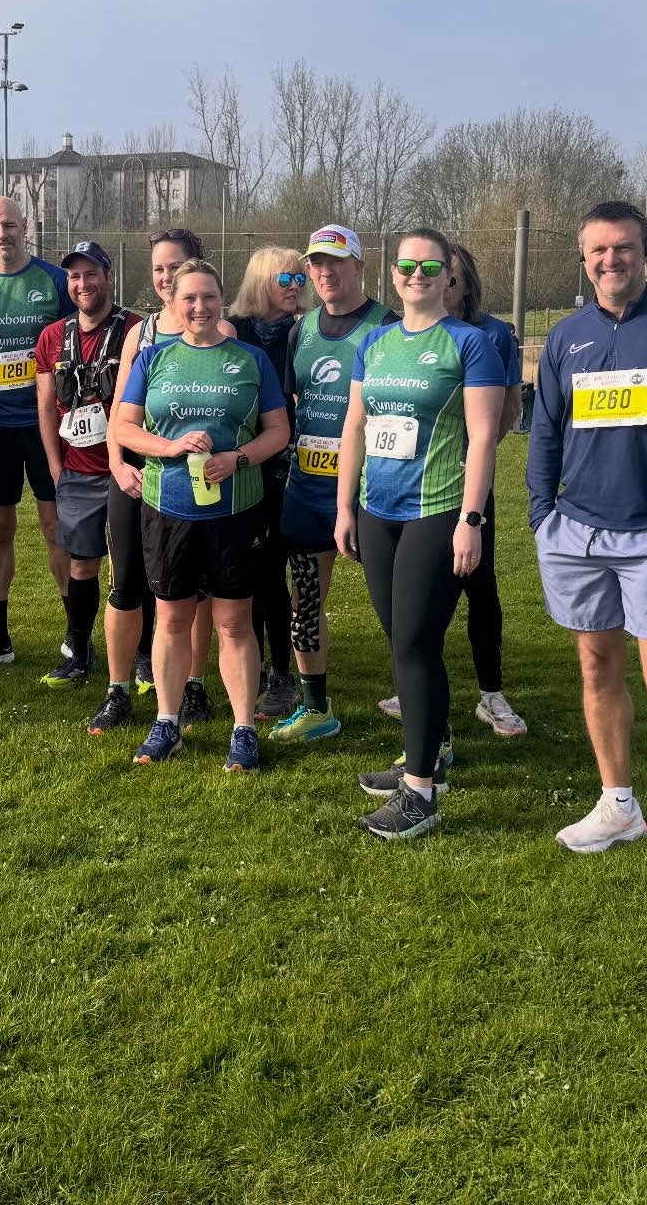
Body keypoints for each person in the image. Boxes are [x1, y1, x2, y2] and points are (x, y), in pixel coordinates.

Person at [527, 200, 647, 907]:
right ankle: (619, 806)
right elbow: (545, 433)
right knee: (596, 666)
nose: (610, 261)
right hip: (579, 535)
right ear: (582, 259)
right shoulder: (566, 338)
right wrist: (541, 514)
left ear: (646, 253)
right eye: (597, 252)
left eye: (623, 249)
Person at [335, 227, 504, 840]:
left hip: (436, 511)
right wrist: (344, 506)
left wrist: (471, 518)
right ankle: (431, 748)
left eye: (430, 265)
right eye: (406, 264)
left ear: (448, 275)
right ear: (393, 272)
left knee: (413, 641)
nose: (416, 274)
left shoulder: (470, 343)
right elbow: (355, 426)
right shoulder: (375, 343)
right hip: (377, 512)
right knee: (404, 639)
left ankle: (420, 793)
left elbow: (484, 437)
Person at [110, 259, 290, 771]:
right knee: (171, 618)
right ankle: (167, 722)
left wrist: (238, 458)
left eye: (209, 297)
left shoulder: (251, 360)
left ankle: (243, 729)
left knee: (234, 623)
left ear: (221, 299)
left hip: (237, 509)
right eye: (189, 298)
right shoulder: (154, 358)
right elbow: (123, 428)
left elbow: (278, 431)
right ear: (171, 302)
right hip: (169, 507)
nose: (199, 307)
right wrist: (169, 446)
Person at [376, 242, 527, 739]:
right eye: (412, 268)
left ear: (458, 282)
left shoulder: (488, 337)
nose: (434, 279)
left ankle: (492, 693)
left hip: (463, 489)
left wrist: (469, 464)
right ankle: (419, 685)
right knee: (414, 610)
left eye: (447, 273)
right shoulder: (396, 336)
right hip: (405, 491)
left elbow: (504, 411)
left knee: (480, 588)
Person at [99, 229, 233, 737]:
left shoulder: (225, 334)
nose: (165, 278)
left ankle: (193, 684)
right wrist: (117, 463)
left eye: (175, 267)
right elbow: (119, 415)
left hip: (194, 484)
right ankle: (118, 689)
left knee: (194, 593)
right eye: (158, 269)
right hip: (137, 477)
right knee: (125, 584)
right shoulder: (143, 333)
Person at [269, 224, 393, 746]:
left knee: (397, 606)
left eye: (336, 262)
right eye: (316, 263)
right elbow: (295, 403)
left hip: (376, 492)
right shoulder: (302, 329)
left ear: (360, 266)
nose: (324, 272)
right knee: (305, 600)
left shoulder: (389, 325)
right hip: (310, 491)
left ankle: (424, 706)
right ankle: (317, 707)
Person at [0, 196, 74, 668]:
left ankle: (74, 634)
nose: (3, 235)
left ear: (26, 228)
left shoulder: (56, 281)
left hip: (48, 425)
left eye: (11, 225)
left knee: (55, 528)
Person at [34, 240, 140, 691]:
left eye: (90, 274)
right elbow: (44, 408)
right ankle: (78, 649)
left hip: (127, 469)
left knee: (134, 569)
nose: (82, 284)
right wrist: (57, 470)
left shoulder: (136, 327)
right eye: (74, 277)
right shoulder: (52, 336)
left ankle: (142, 658)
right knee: (82, 565)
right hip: (77, 471)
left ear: (108, 275)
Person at [228, 244, 309, 722]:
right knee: (248, 576)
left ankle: (283, 676)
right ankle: (253, 669)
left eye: (299, 278)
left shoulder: (307, 332)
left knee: (277, 577)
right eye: (285, 279)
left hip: (291, 469)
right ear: (261, 281)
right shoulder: (234, 331)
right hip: (241, 467)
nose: (296, 286)